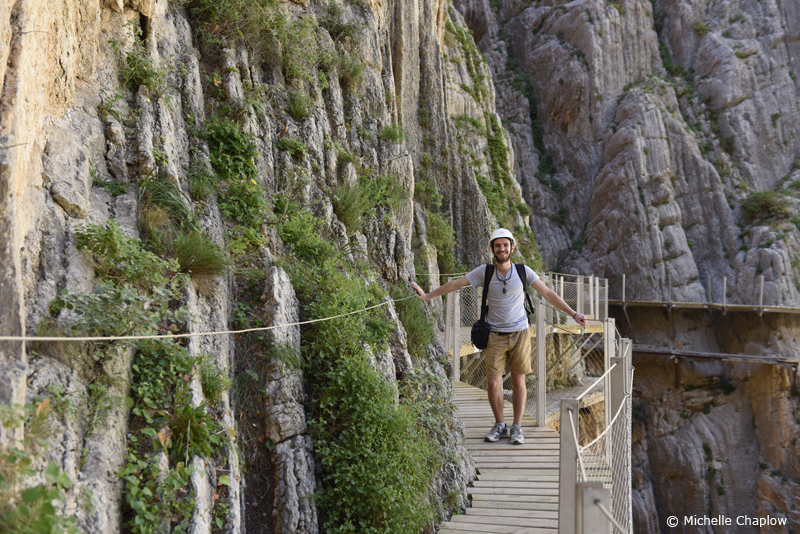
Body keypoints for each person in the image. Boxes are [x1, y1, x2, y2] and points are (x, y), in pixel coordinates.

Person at [410, 228, 587, 445]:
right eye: (497, 246)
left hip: (520, 333)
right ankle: (500, 424)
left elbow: (548, 293)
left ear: (512, 247)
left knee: (518, 381)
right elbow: (456, 284)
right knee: (493, 383)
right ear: (493, 249)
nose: (502, 249)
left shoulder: (523, 272)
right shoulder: (484, 273)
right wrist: (428, 295)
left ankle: (517, 427)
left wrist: (573, 313)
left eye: (505, 245)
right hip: (494, 335)